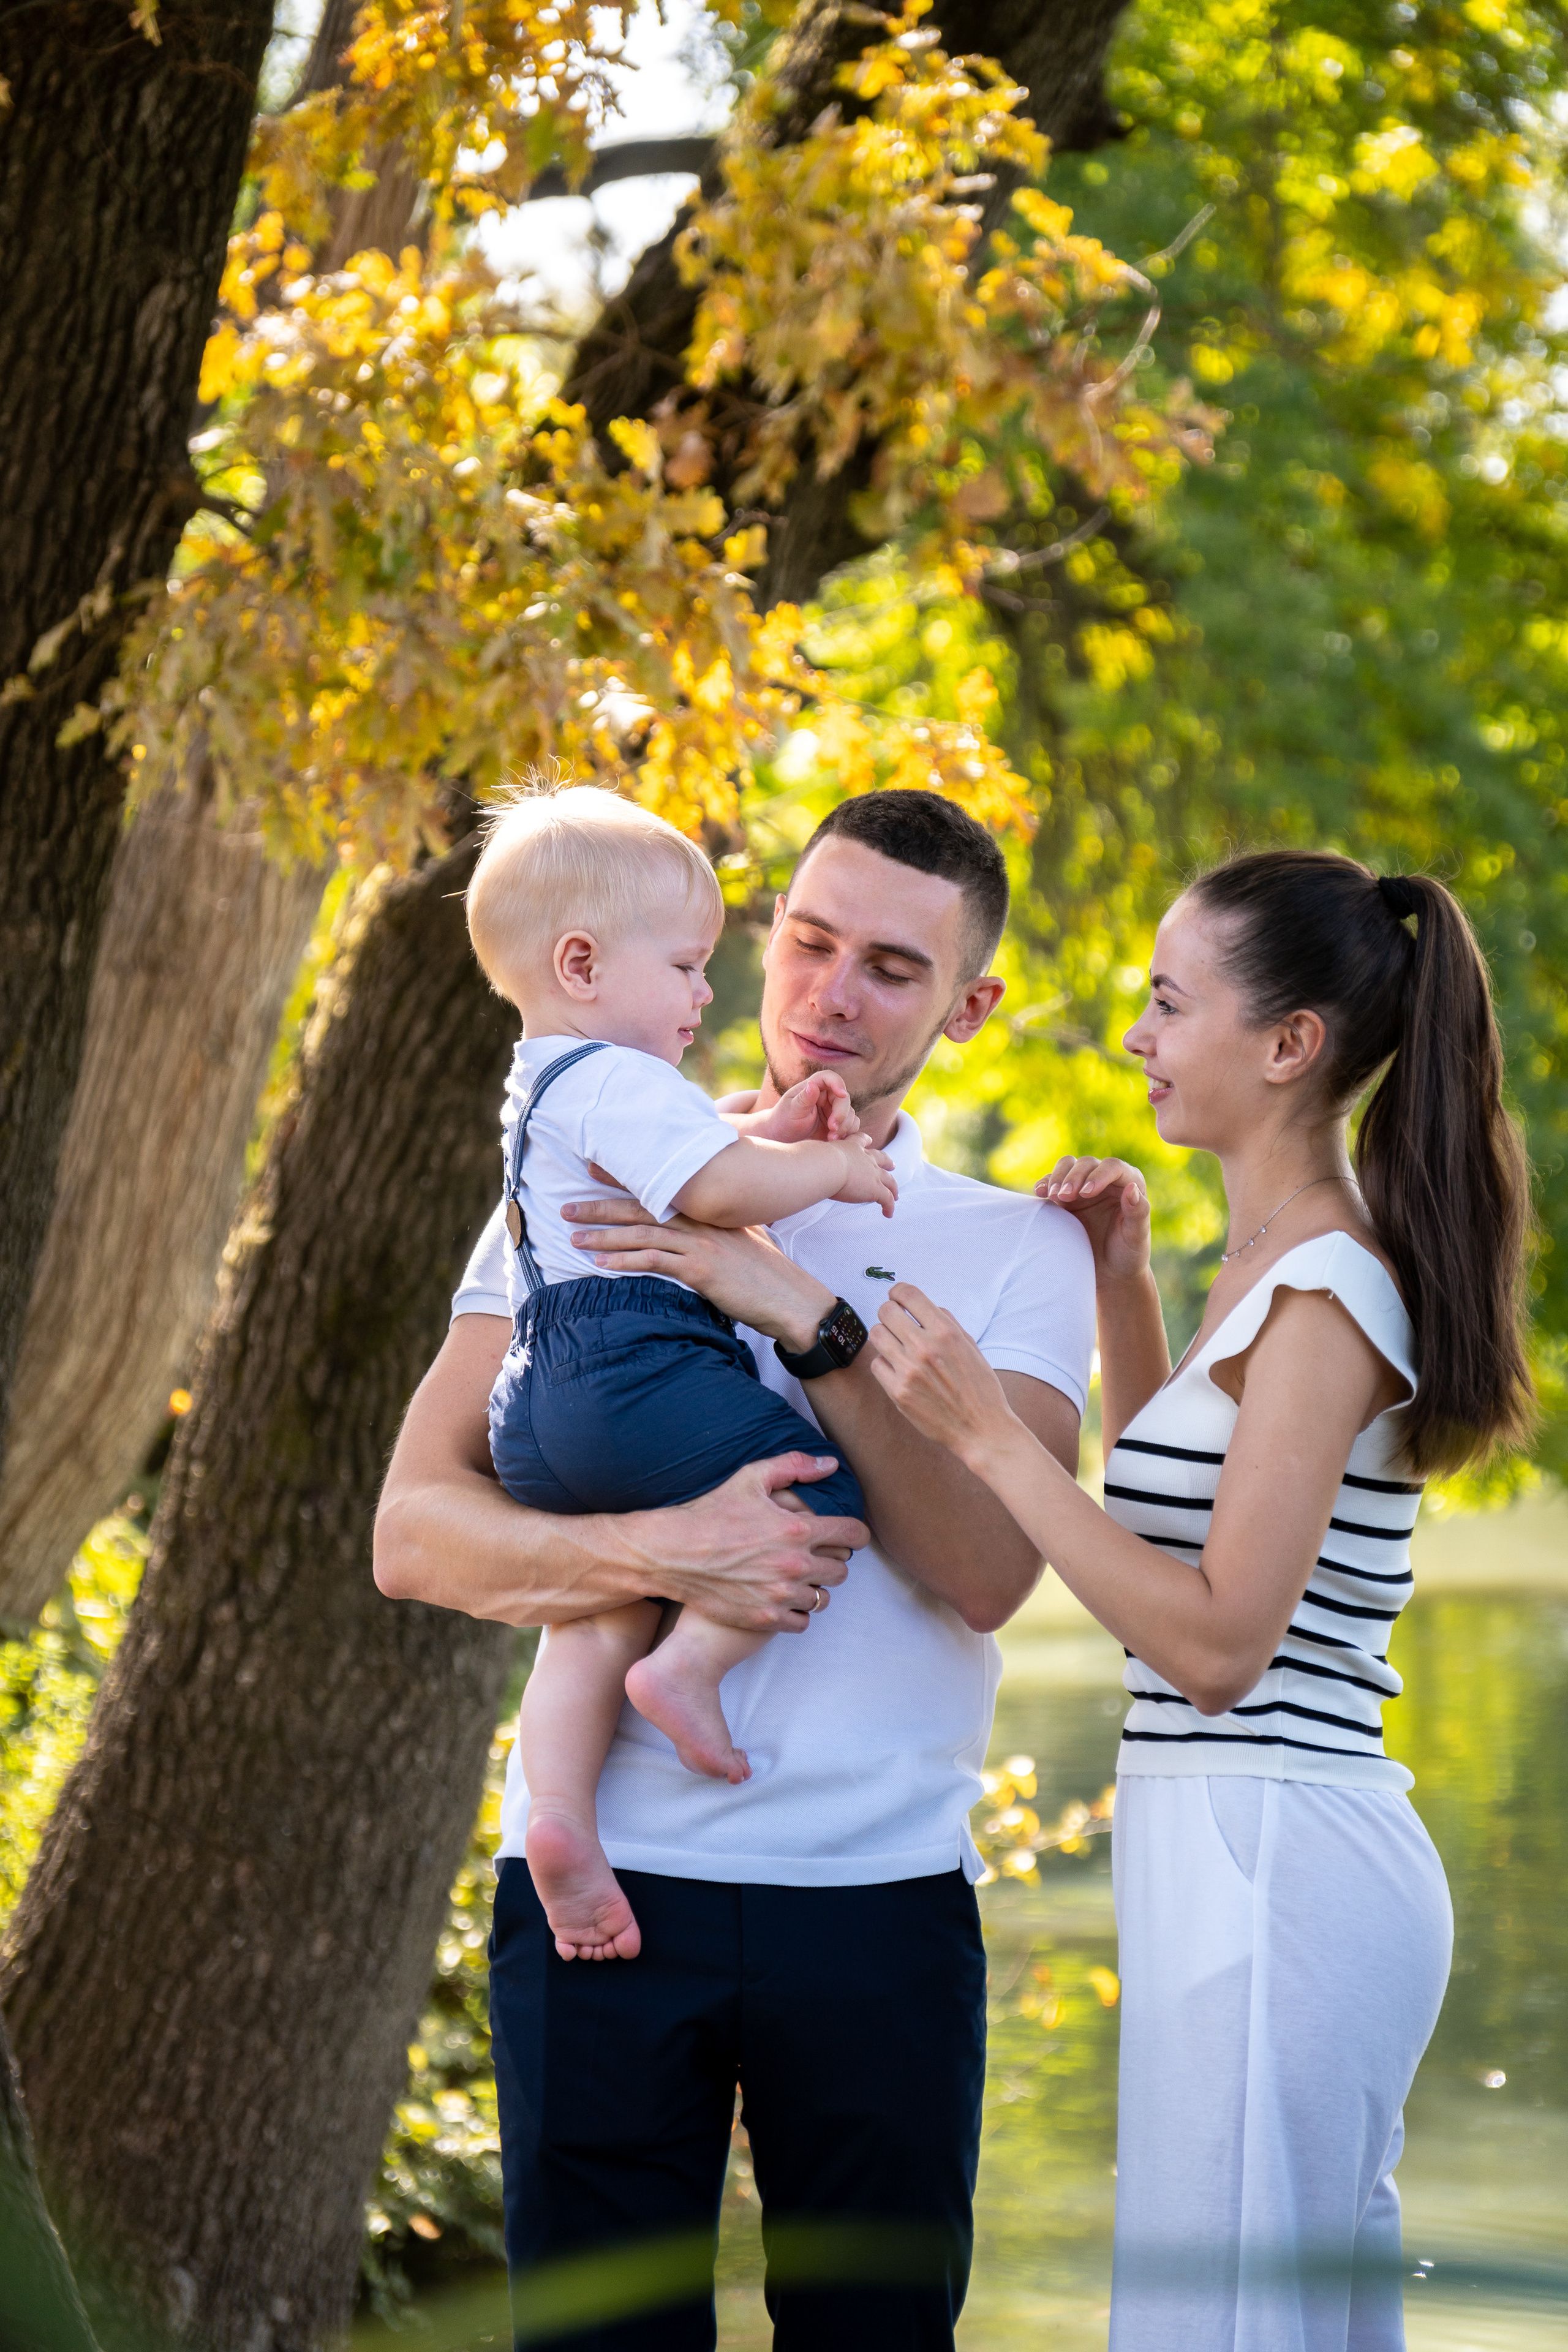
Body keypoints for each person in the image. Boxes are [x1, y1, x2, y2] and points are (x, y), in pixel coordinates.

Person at [374, 788, 1095, 2351]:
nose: (830, 992)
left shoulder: (1017, 1251)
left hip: (876, 1906)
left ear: (967, 1007)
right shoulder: (585, 1174)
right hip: (602, 1901)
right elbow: (413, 1534)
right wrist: (656, 1553)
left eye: (892, 969)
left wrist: (794, 1310)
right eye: (810, 940)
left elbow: (982, 1577)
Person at [864, 850, 1535, 2352]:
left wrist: (980, 1432)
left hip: (1278, 1841)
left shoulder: (1326, 1291)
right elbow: (1174, 1524)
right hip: (1234, 1838)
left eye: (1168, 1004)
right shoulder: (1271, 1266)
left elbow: (1219, 1642)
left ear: (1288, 1045)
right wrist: (1120, 1291)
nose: (1135, 1036)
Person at [465, 783, 897, 1968]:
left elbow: (710, 1152)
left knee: (597, 1613)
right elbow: (714, 1192)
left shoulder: (549, 1083)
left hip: (541, 1404)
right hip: (633, 1365)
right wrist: (833, 1174)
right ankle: (691, 1669)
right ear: (584, 964)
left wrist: (779, 1135)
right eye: (689, 966)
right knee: (816, 1497)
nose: (709, 995)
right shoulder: (617, 1077)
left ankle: (557, 1816)